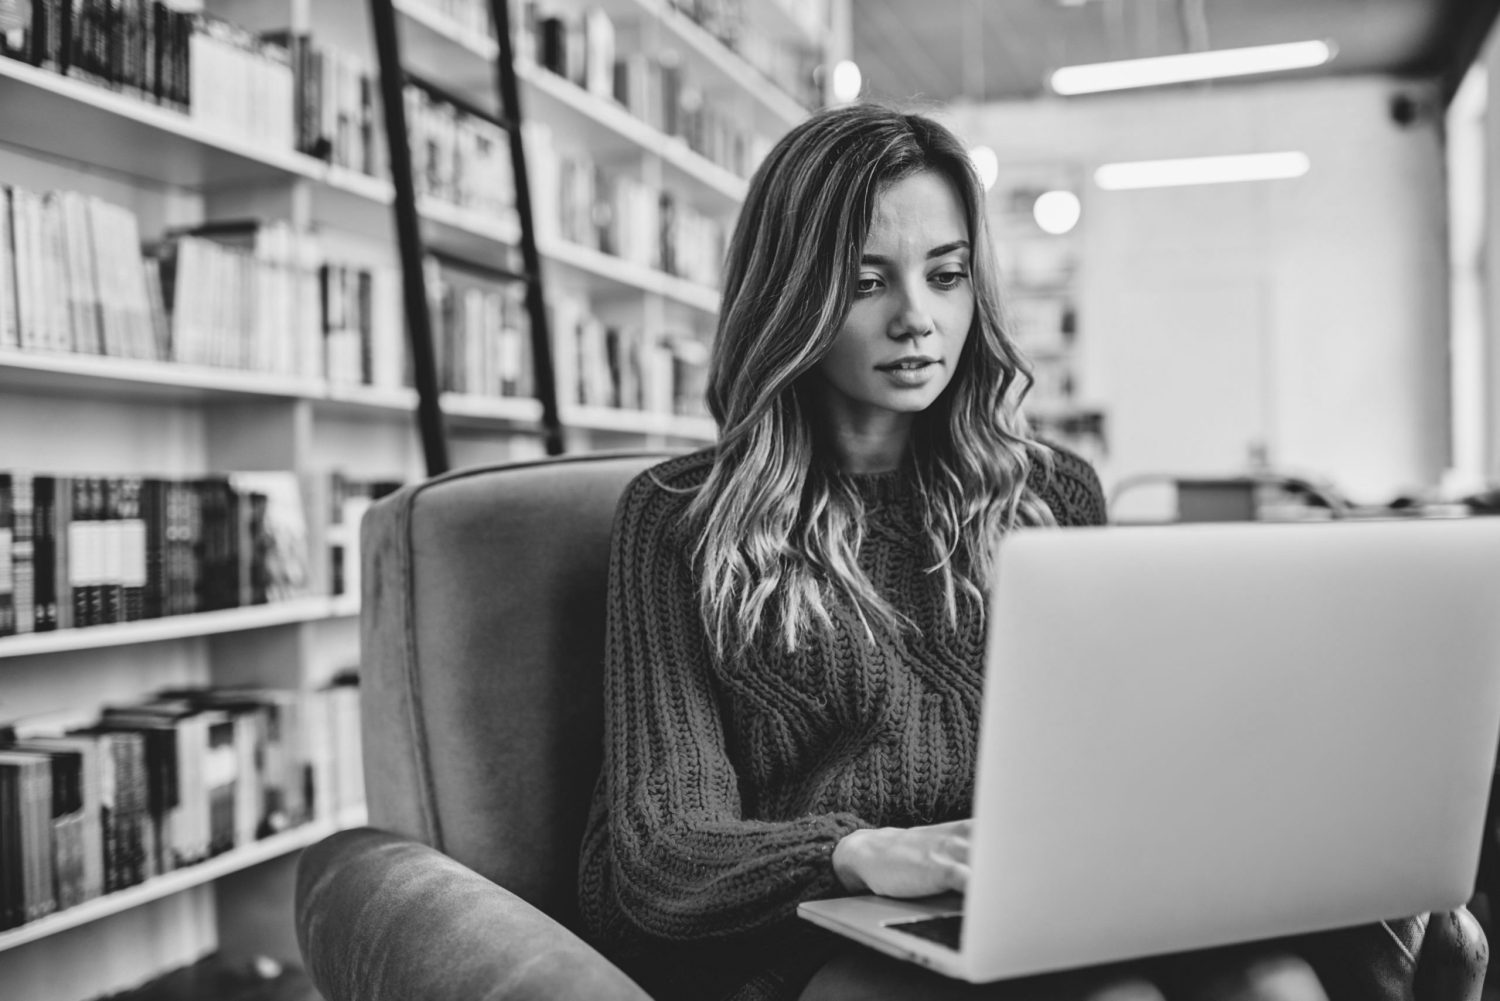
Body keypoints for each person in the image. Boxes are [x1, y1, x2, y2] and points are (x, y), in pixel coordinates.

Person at [575, 102, 1381, 1001]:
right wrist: (861, 851)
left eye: (946, 273)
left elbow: (1113, 758)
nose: (918, 317)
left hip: (1036, 899)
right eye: (867, 280)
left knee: (1274, 982)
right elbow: (659, 850)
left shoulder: (1052, 495)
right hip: (817, 927)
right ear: (791, 293)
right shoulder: (681, 518)